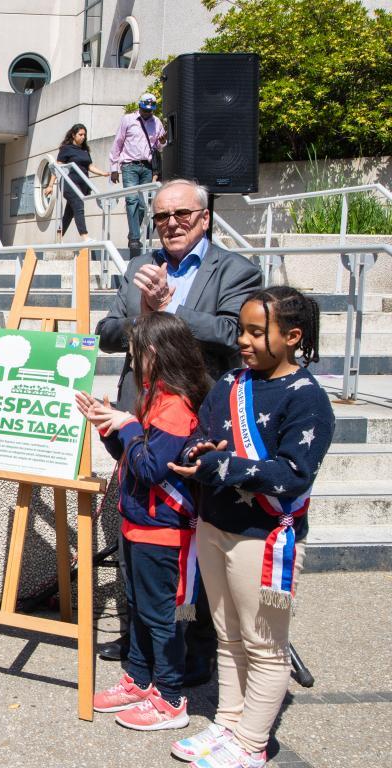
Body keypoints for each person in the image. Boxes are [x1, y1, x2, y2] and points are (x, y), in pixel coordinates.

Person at [95, 179, 262, 672]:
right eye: (162, 216)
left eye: (182, 215)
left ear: (205, 218)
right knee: (138, 530)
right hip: (138, 420)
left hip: (198, 426)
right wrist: (142, 314)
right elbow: (106, 333)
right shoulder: (137, 267)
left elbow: (235, 334)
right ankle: (141, 642)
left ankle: (192, 652)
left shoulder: (236, 269)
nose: (171, 224)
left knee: (194, 543)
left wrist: (172, 311)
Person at [167, 287, 334, 768]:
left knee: (264, 642)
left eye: (257, 332)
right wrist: (198, 450)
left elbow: (292, 472)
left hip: (263, 537)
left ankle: (251, 741)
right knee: (227, 633)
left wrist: (221, 466)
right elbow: (203, 429)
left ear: (293, 336)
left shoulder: (308, 399)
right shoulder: (231, 383)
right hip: (217, 524)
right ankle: (227, 722)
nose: (243, 340)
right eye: (241, 329)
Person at [79, 312, 210, 731]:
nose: (131, 361)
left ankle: (170, 698)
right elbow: (132, 460)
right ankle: (138, 679)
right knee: (137, 608)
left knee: (162, 616)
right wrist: (108, 427)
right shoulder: (155, 398)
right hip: (138, 524)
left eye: (134, 353)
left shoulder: (174, 408)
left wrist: (130, 424)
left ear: (153, 353)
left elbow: (153, 469)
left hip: (165, 530)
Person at [109, 93, 166, 255]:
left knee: (143, 204)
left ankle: (133, 233)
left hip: (147, 167)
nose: (147, 113)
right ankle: (135, 238)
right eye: (145, 110)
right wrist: (114, 168)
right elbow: (118, 142)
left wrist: (163, 142)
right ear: (139, 106)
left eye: (150, 111)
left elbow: (159, 147)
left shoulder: (157, 122)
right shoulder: (128, 119)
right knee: (132, 199)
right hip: (129, 166)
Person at [44, 123, 108, 240]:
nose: (83, 137)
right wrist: (50, 186)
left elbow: (89, 166)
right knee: (78, 205)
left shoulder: (84, 150)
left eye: (84, 135)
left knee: (69, 212)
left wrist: (103, 173)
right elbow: (57, 168)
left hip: (82, 185)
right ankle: (85, 236)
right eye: (80, 134)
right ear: (73, 135)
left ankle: (58, 237)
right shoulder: (66, 149)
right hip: (69, 183)